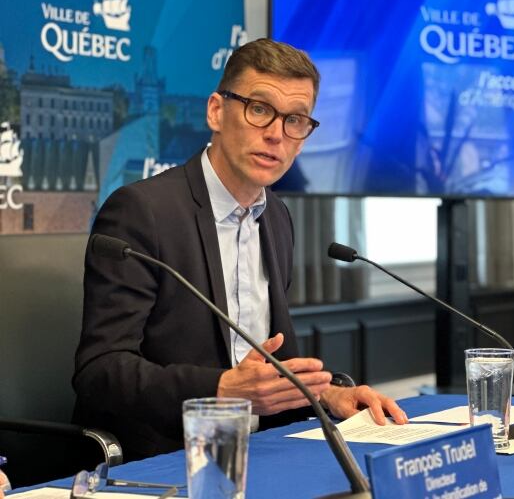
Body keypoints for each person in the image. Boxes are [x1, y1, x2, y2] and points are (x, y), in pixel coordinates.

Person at [73, 38, 407, 459]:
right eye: (260, 109)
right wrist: (219, 389)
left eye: (296, 120)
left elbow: (271, 368)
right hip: (167, 458)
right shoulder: (142, 212)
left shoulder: (277, 217)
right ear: (216, 110)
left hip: (263, 451)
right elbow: (100, 371)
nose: (275, 135)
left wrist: (326, 395)